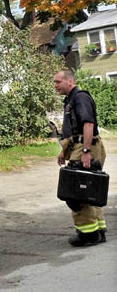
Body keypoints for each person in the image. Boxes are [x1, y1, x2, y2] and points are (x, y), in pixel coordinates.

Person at [54, 69, 107, 246]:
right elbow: (73, 130)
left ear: (70, 81)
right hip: (78, 146)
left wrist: (86, 152)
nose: (55, 86)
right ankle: (98, 230)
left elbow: (88, 124)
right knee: (89, 191)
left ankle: (88, 234)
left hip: (87, 147)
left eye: (58, 82)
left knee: (77, 192)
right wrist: (64, 152)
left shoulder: (80, 97)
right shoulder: (70, 100)